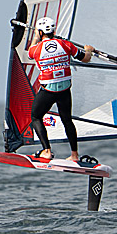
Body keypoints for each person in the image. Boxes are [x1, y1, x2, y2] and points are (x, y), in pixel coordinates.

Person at [27, 16, 95, 162]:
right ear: (54, 30)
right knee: (67, 120)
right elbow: (86, 58)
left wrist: (35, 38)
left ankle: (46, 150)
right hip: (64, 89)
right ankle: (74, 155)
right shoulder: (65, 44)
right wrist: (88, 50)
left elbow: (30, 51)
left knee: (35, 116)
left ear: (40, 32)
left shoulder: (36, 49)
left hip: (49, 91)